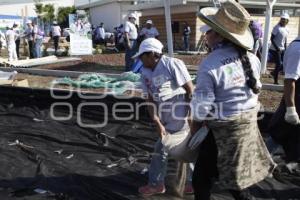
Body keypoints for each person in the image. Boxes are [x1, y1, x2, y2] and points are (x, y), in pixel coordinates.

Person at [190, 1, 276, 199]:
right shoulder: (252, 59)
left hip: (223, 130)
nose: (205, 35)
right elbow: (256, 91)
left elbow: (201, 108)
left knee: (202, 180)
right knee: (235, 177)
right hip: (246, 128)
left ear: (219, 35)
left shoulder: (210, 65)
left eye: (208, 31)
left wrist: (194, 129)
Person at [135, 38, 194, 196]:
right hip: (165, 117)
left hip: (181, 114)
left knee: (183, 149)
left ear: (152, 54)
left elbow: (190, 90)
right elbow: (149, 100)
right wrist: (157, 122)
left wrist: (191, 115)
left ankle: (163, 183)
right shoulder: (144, 72)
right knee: (165, 149)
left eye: (142, 56)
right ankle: (168, 183)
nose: (140, 60)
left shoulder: (172, 64)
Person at [268, 36, 300, 170]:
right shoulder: (297, 50)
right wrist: (291, 109)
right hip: (295, 100)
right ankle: (258, 161)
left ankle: (292, 162)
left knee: (293, 135)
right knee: (278, 133)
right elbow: (289, 81)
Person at [269, 13, 289, 84]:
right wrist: (277, 48)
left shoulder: (287, 29)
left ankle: (274, 73)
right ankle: (275, 81)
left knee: (285, 64)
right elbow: (271, 39)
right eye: (282, 19)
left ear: (287, 21)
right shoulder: (276, 27)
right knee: (278, 64)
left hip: (283, 49)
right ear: (280, 20)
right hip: (275, 49)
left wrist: (286, 49)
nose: (283, 21)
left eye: (285, 20)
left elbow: (285, 40)